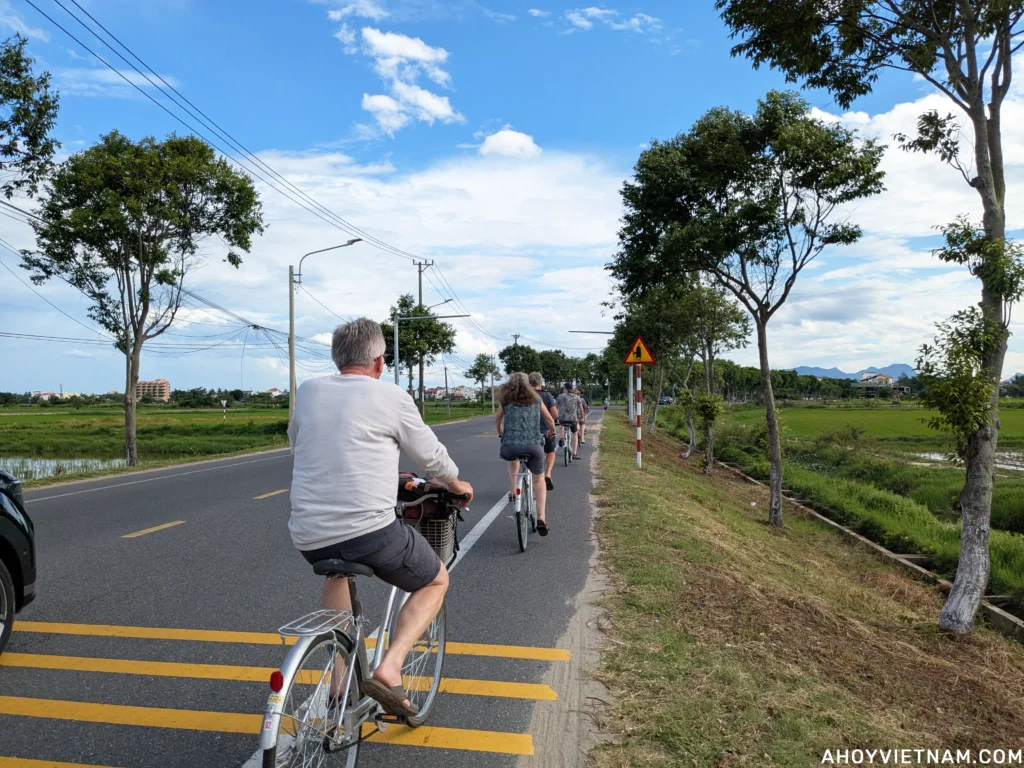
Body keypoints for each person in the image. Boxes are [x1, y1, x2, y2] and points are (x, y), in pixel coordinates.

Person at [288, 318, 474, 717]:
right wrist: (457, 485)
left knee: (337, 573)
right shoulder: (390, 396)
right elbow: (431, 457)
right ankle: (390, 667)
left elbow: (298, 443)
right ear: (379, 361)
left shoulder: (308, 391)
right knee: (436, 579)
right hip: (370, 533)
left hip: (308, 535)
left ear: (338, 359)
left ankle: (341, 686)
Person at [495, 372, 556, 535]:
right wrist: (552, 431)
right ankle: (541, 517)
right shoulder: (537, 399)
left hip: (510, 446)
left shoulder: (506, 400)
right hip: (533, 446)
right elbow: (550, 419)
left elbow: (498, 420)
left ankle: (513, 490)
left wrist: (501, 433)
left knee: (512, 462)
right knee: (538, 479)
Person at [528, 372, 558, 490]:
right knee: (550, 451)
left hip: (528, 432)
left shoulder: (525, 395)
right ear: (540, 382)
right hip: (545, 430)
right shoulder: (547, 395)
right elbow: (555, 414)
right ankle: (548, 473)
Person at [555, 382, 582, 460]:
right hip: (573, 419)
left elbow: (556, 407)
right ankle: (574, 453)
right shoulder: (576, 397)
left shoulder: (560, 396)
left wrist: (555, 417)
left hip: (562, 419)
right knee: (574, 433)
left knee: (561, 426)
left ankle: (562, 438)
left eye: (563, 388)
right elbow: (581, 408)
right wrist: (582, 416)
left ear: (566, 388)